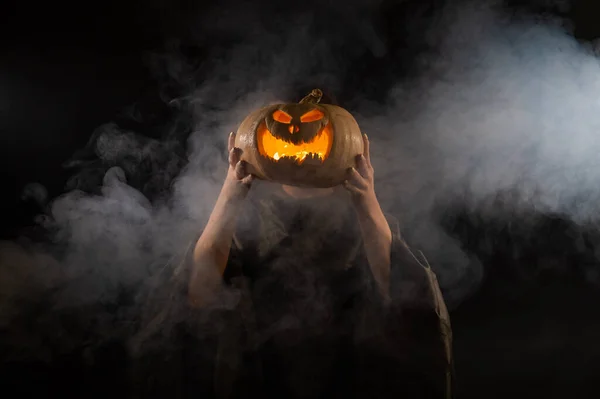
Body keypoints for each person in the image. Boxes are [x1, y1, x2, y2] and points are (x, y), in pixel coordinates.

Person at [132, 132, 453, 399]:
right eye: (285, 130)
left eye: (316, 133)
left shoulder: (364, 224)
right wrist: (231, 195)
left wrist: (366, 198)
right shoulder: (244, 226)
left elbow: (399, 291)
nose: (299, 145)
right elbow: (198, 292)